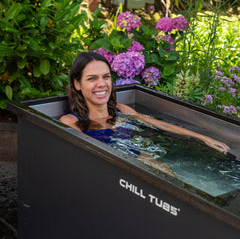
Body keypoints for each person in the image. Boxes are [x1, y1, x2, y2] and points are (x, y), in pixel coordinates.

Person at [60, 52, 230, 176]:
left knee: (175, 179)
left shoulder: (122, 110)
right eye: (92, 79)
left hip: (140, 159)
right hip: (110, 173)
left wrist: (203, 137)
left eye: (106, 77)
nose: (102, 84)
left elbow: (159, 125)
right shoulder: (70, 121)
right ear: (77, 84)